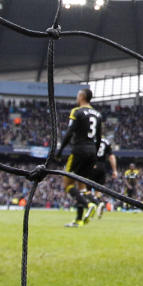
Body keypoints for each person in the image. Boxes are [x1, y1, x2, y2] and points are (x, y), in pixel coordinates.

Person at [56, 88, 102, 228]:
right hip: (92, 151)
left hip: (79, 150)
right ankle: (79, 219)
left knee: (67, 184)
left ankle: (89, 204)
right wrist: (95, 157)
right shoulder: (98, 114)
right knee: (81, 186)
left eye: (78, 95)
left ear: (82, 96)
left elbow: (70, 132)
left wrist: (60, 150)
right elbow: (99, 138)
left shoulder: (77, 111)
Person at [88, 136, 118, 219]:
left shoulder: (91, 141)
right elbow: (111, 157)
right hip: (102, 167)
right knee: (98, 190)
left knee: (87, 190)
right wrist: (114, 170)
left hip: (92, 166)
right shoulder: (107, 142)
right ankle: (98, 203)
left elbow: (88, 154)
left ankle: (95, 205)